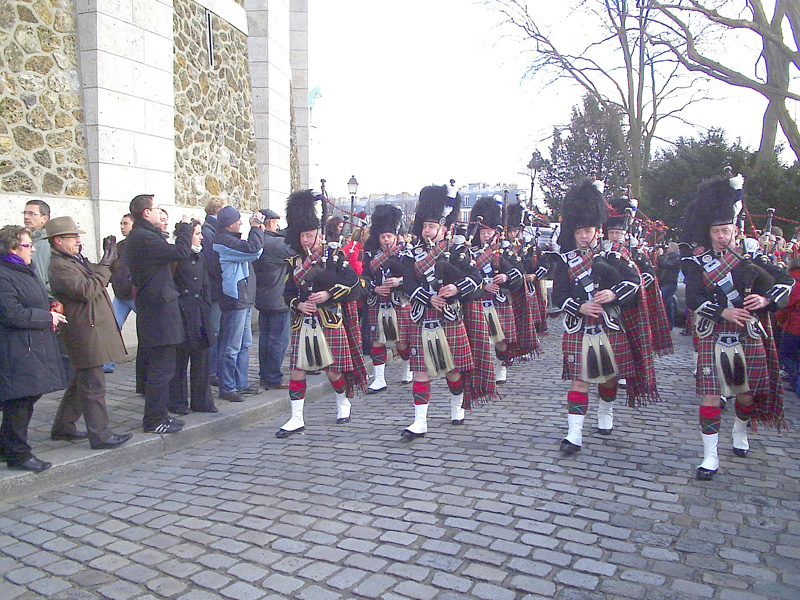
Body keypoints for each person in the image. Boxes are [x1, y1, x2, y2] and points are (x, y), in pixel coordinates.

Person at [682, 175, 793, 480]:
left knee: (746, 395)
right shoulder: (695, 262)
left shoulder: (752, 256)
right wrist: (724, 311)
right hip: (712, 333)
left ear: (734, 229)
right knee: (709, 394)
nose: (721, 236)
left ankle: (740, 429)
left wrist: (766, 299)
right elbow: (693, 298)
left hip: (747, 333)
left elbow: (787, 282)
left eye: (726, 230)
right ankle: (709, 455)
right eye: (716, 231)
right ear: (709, 231)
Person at [550, 179, 641, 455]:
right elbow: (558, 296)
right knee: (579, 379)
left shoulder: (616, 255)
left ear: (598, 230)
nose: (583, 236)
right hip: (580, 327)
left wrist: (613, 295)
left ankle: (606, 410)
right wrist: (579, 307)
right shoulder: (566, 261)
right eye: (579, 231)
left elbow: (634, 283)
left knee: (608, 379)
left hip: (608, 325)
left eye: (588, 230)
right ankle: (574, 433)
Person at [277, 189, 367, 437]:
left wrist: (328, 295)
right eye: (302, 236)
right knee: (297, 369)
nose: (306, 240)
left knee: (332, 370)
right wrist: (298, 304)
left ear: (318, 234)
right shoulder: (294, 261)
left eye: (310, 235)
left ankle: (343, 400)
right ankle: (296, 417)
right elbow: (287, 293)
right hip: (302, 322)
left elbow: (353, 284)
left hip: (329, 320)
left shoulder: (334, 256)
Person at [400, 184, 478, 438]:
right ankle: (419, 421)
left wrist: (455, 288)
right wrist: (427, 297)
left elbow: (474, 278)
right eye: (424, 226)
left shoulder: (457, 251)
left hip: (449, 317)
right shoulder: (413, 253)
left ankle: (457, 403)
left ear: (444, 229)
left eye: (432, 227)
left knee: (453, 370)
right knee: (420, 370)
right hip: (423, 316)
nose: (426, 231)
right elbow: (408, 282)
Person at [47, 217, 132, 450]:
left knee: (81, 381)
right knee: (94, 385)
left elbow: (100, 274)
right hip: (83, 330)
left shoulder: (73, 260)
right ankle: (101, 434)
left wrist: (113, 257)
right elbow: (88, 289)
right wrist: (105, 264)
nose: (77, 240)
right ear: (58, 241)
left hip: (89, 327)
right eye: (72, 237)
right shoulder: (59, 266)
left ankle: (63, 426)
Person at [0, 225, 67, 471]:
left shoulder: (24, 268)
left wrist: (51, 303)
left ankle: (6, 445)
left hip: (31, 344)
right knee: (19, 399)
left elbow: (33, 295)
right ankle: (18, 453)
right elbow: (12, 313)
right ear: (12, 248)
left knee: (26, 397)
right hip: (15, 347)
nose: (32, 249)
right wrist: (46, 317)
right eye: (28, 245)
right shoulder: (4, 273)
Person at [126, 194, 193, 434]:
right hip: (158, 312)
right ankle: (154, 419)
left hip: (160, 308)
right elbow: (181, 252)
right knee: (161, 369)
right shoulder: (143, 237)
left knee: (165, 367)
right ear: (146, 213)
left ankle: (161, 414)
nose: (160, 214)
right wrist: (185, 226)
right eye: (156, 209)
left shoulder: (146, 236)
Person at [212, 205, 265, 402]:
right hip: (234, 299)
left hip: (242, 298)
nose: (241, 222)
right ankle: (227, 386)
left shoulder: (229, 240)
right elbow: (254, 251)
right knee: (231, 345)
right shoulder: (223, 242)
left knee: (244, 344)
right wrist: (256, 228)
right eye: (238, 220)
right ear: (229, 224)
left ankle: (240, 383)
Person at [168, 220, 217, 414]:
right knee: (180, 361)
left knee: (201, 358)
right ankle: (178, 402)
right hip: (182, 313)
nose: (202, 236)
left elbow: (205, 283)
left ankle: (202, 401)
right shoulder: (176, 257)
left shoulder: (201, 256)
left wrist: (205, 304)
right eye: (197, 233)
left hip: (200, 313)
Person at [363, 204, 413, 393]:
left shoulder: (406, 252)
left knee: (401, 342)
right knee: (378, 340)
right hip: (379, 301)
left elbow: (414, 276)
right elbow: (364, 277)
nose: (385, 240)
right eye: (382, 237)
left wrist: (399, 281)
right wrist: (374, 288)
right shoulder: (370, 254)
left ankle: (407, 367)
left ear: (395, 236)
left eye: (389, 237)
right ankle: (379, 379)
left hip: (399, 300)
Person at [253, 208, 294, 390]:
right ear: (270, 223)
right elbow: (294, 249)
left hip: (263, 296)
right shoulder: (274, 244)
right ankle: (273, 377)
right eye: (276, 223)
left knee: (265, 339)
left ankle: (265, 375)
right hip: (277, 297)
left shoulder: (258, 239)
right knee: (278, 340)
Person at [103, 213, 136, 374]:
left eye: (125, 224)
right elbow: (111, 268)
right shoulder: (119, 246)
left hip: (135, 294)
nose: (122, 227)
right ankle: (107, 364)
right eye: (121, 223)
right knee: (112, 327)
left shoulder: (138, 244)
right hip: (121, 295)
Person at [202, 199, 226, 386]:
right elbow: (212, 263)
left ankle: (213, 370)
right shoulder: (209, 232)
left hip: (215, 289)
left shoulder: (212, 230)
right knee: (214, 331)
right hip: (213, 290)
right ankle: (210, 372)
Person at [777, 257, 800, 386]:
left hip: (793, 326)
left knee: (786, 355)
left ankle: (794, 380)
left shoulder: (792, 280)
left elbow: (785, 304)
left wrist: (779, 319)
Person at [22, 200, 51, 291]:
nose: (26, 217)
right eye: (25, 213)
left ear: (44, 218)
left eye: (31, 214)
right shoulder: (19, 240)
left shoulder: (51, 243)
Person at [656, 241, 681, 329]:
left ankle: (661, 326)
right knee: (669, 305)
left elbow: (665, 265)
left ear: (673, 249)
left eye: (669, 247)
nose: (667, 249)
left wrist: (661, 255)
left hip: (669, 284)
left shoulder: (677, 258)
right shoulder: (670, 257)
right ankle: (669, 326)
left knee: (662, 304)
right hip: (666, 283)